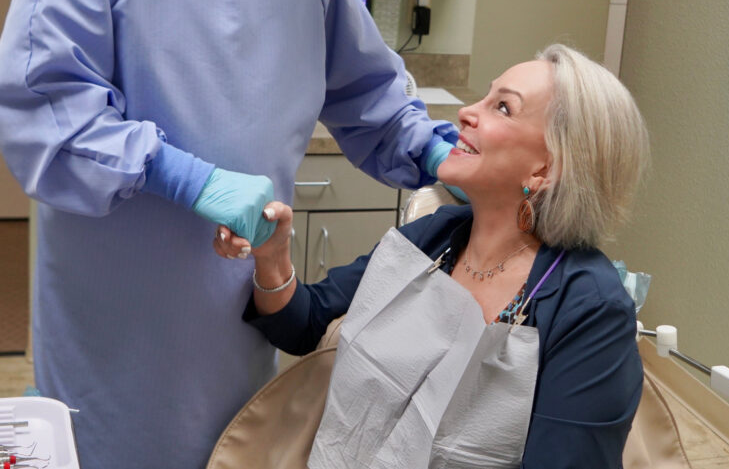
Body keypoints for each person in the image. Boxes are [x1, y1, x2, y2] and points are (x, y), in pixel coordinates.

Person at [0, 0, 458, 469]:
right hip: (123, 294)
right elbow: (46, 103)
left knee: (234, 445)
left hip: (242, 295)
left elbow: (369, 93)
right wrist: (185, 177)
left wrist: (436, 154)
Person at [221, 44, 650, 468]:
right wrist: (273, 256)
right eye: (485, 95)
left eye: (502, 108)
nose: (467, 112)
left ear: (545, 169)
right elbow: (304, 325)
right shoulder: (436, 235)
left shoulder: (591, 308)